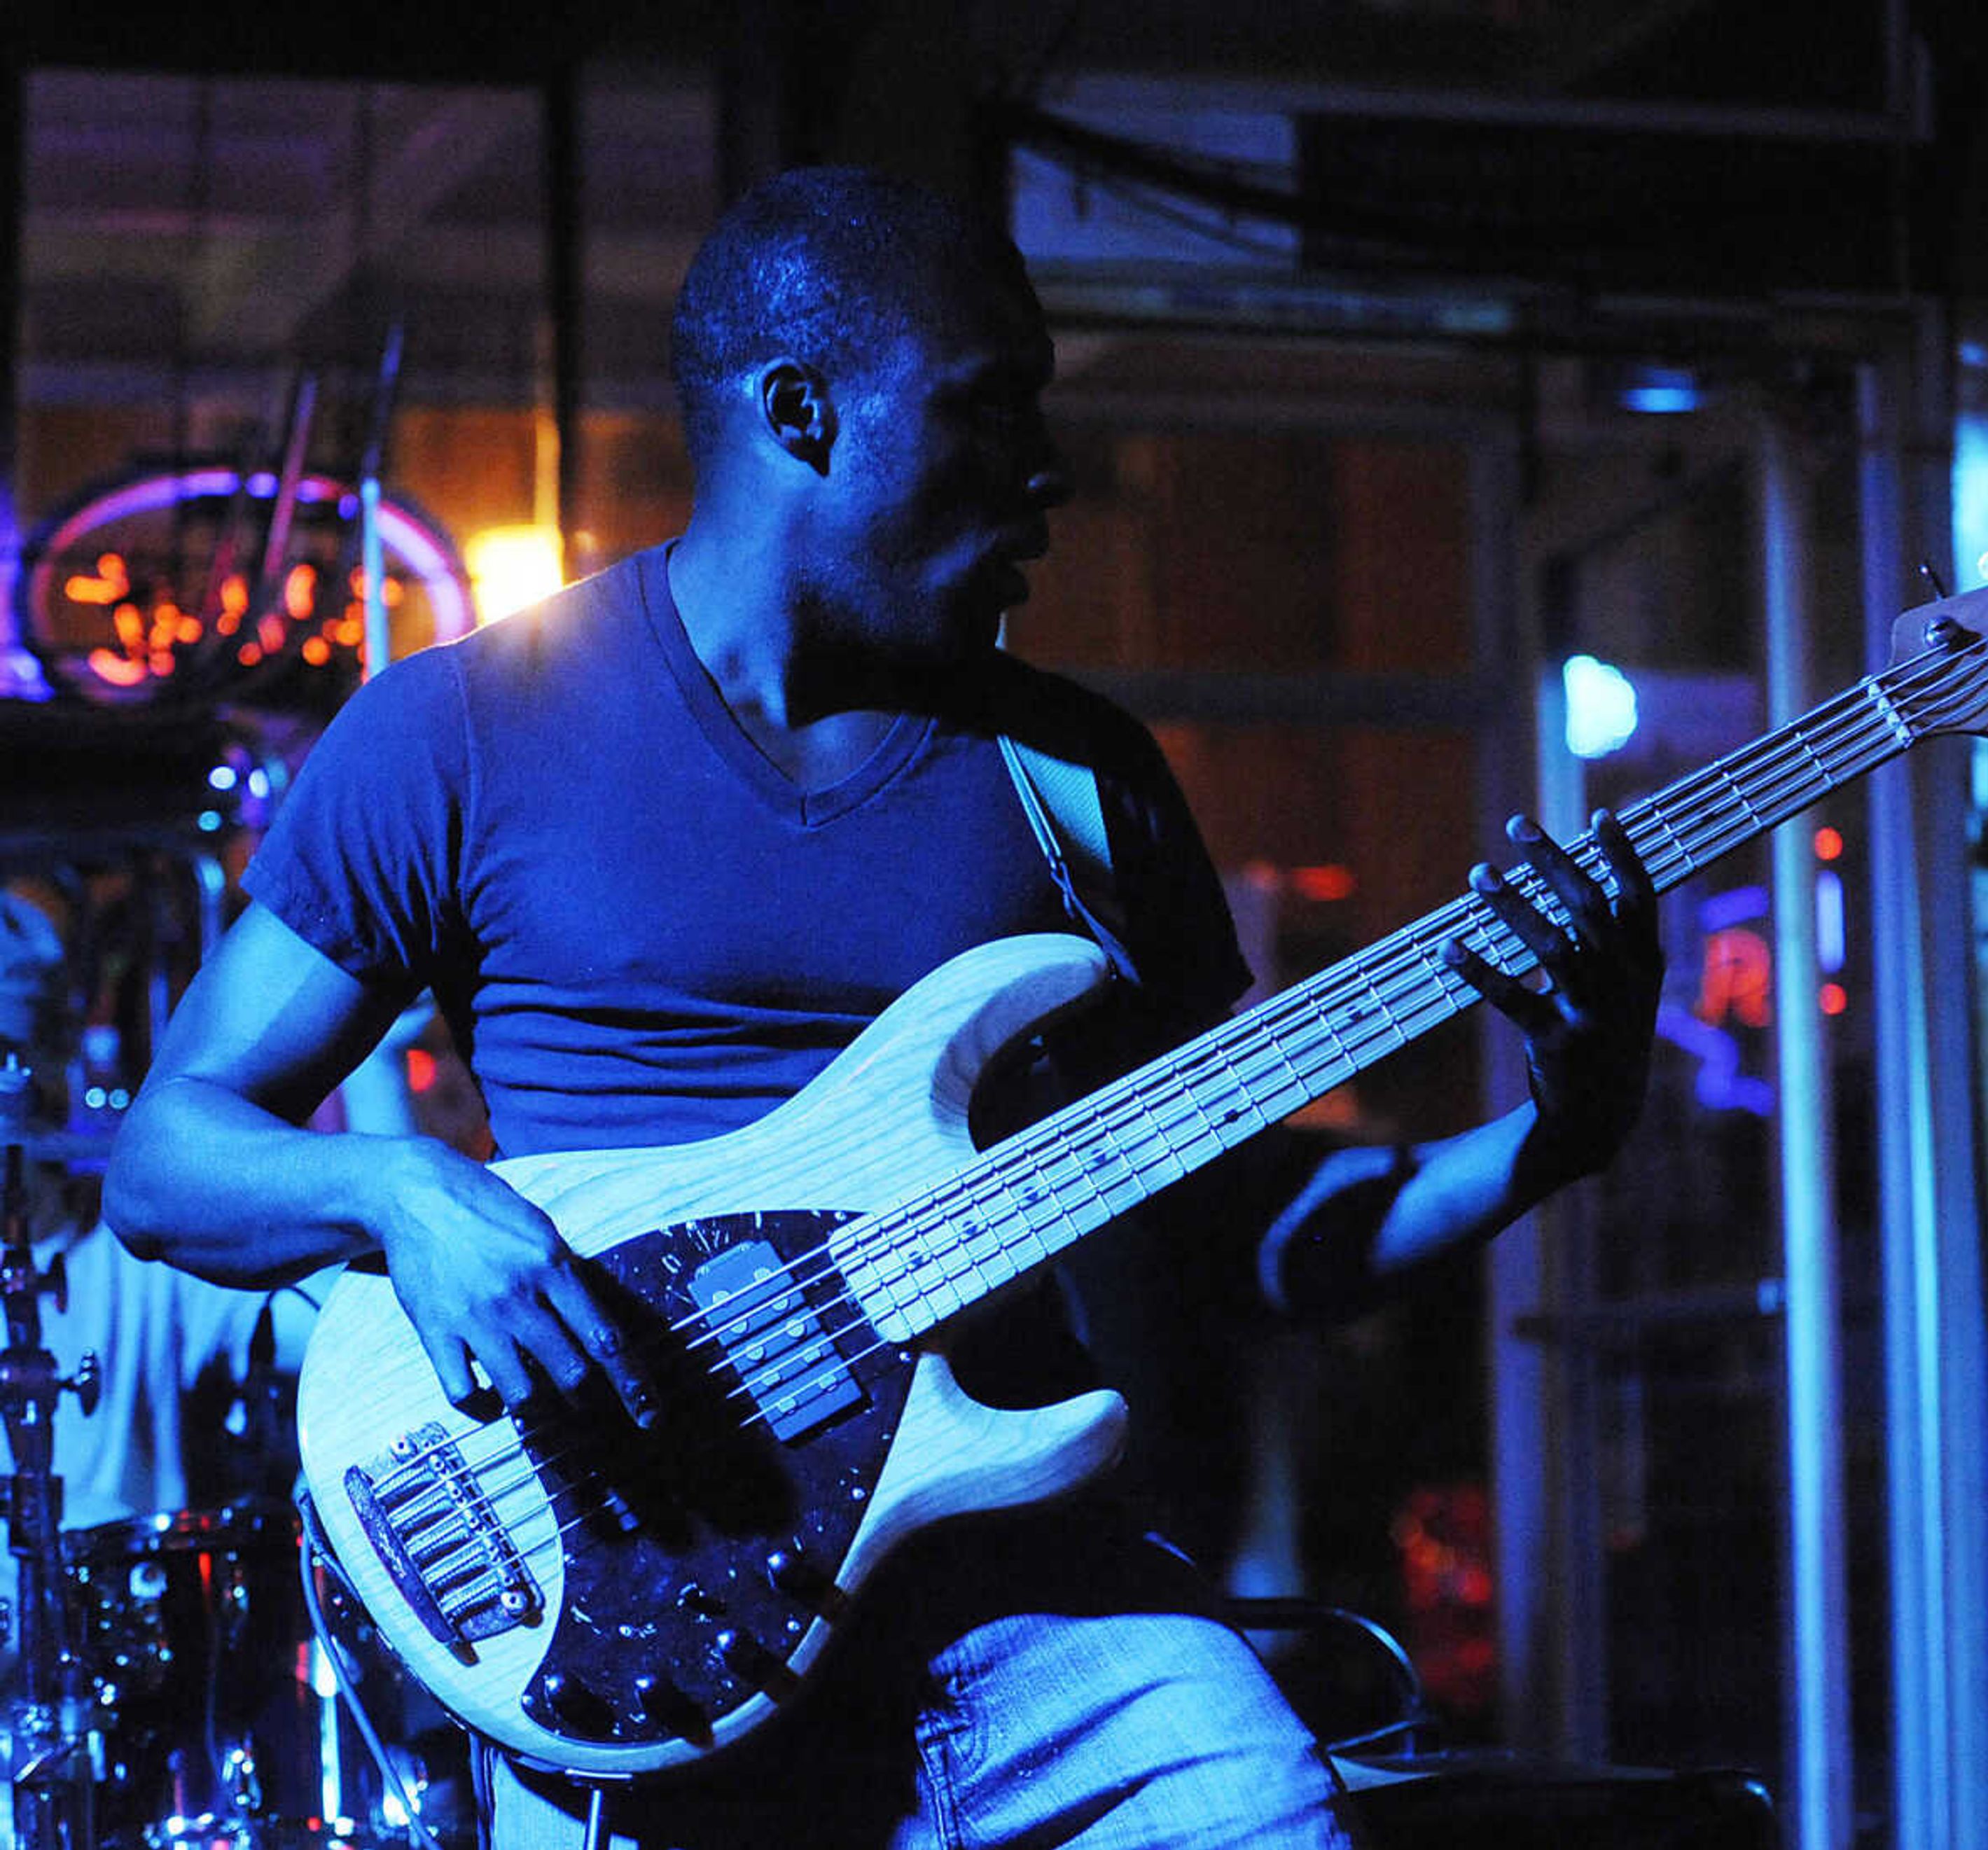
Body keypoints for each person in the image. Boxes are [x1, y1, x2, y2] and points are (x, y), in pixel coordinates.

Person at [102, 166, 1662, 1849]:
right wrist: (399, 1193)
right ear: (804, 413)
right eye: (993, 411)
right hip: (647, 1616)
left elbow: (1243, 1243)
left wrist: (1559, 1131)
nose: (1051, 471)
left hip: (1029, 1589)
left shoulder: (1080, 781)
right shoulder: (462, 733)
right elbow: (167, 1159)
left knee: (1267, 1807)